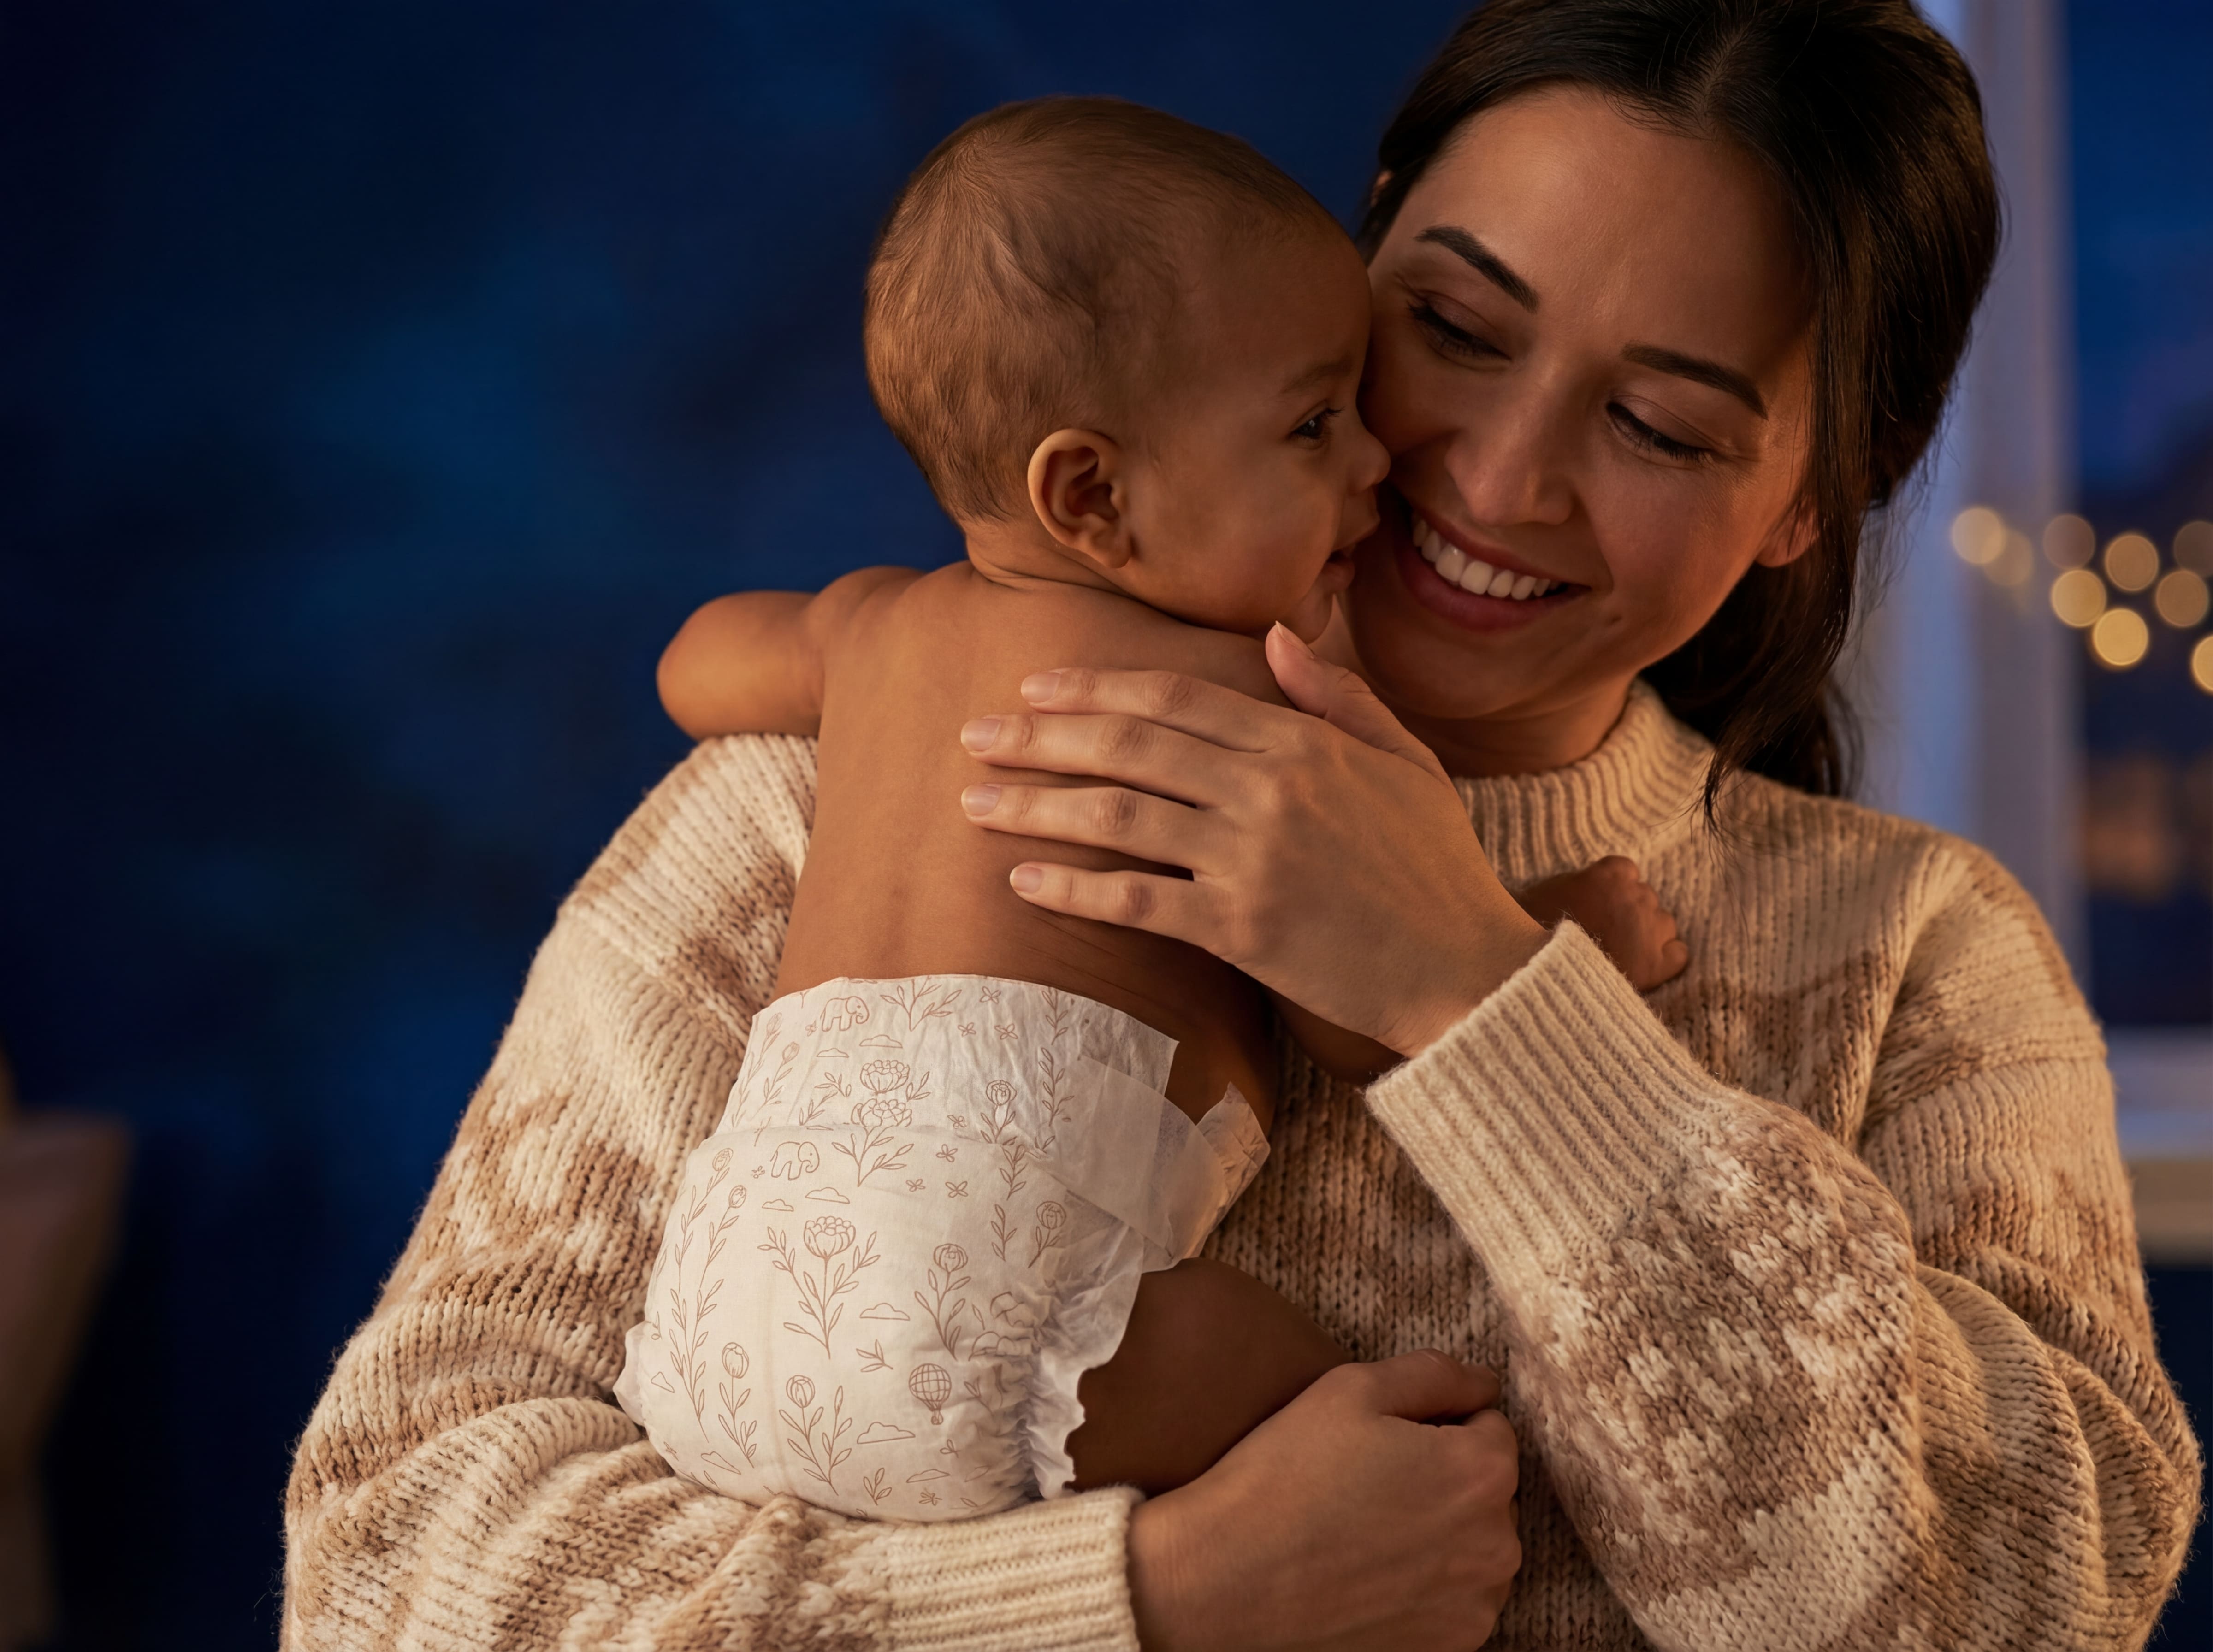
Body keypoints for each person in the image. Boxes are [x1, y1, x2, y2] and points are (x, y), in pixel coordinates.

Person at [282, 2, 2201, 1648]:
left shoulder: (1914, 956)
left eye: (1663, 427)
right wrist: (1144, 1600)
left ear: (1818, 493)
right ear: (1357, 250)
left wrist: (1484, 994)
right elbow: (383, 1577)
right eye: (1455, 326)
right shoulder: (812, 809)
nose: (1494, 478)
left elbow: (2023, 1608)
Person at [620, 96, 1683, 1522]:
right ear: (1092, 496)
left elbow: (691, 665)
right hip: (994, 1307)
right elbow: (1368, 1006)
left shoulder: (872, 631)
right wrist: (1563, 939)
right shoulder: (1252, 709)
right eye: (1313, 425)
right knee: (1400, 1450)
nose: (1375, 461)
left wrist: (850, 678)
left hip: (715, 1305)